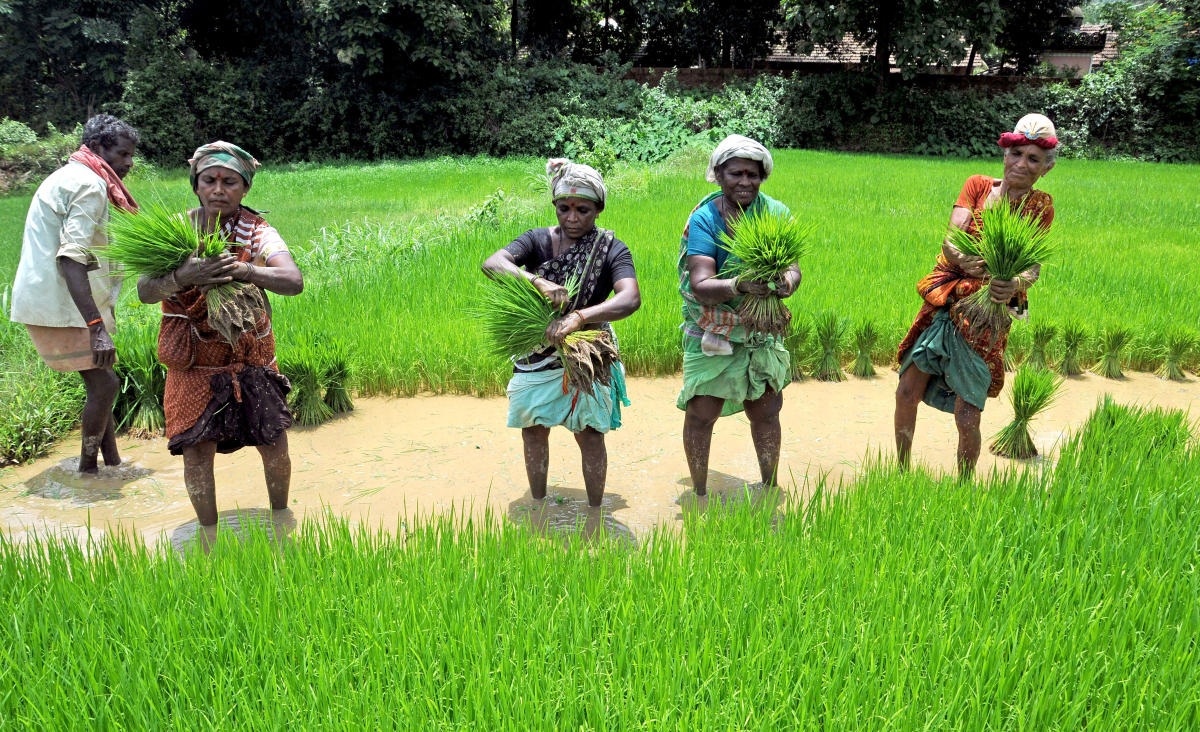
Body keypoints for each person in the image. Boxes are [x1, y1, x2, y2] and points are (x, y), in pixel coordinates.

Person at [136, 141, 303, 527]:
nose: (218, 189)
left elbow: (292, 280)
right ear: (196, 185)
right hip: (193, 361)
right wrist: (184, 276)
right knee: (196, 450)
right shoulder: (175, 231)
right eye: (209, 180)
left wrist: (246, 271)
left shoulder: (256, 230)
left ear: (244, 189)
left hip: (250, 357)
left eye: (230, 182)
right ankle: (207, 533)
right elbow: (146, 291)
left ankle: (281, 517)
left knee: (272, 440)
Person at [895, 113, 1058, 479]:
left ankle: (964, 485)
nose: (1022, 164)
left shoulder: (1040, 206)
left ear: (1045, 169)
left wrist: (1012, 283)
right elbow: (952, 241)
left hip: (989, 309)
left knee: (968, 411)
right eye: (1016, 154)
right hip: (948, 294)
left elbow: (1033, 266)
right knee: (907, 388)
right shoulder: (978, 186)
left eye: (1033, 159)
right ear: (1004, 155)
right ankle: (900, 470)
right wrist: (979, 266)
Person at [482, 159, 641, 507]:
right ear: (554, 206)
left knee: (589, 433)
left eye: (582, 209)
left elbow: (630, 298)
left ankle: (595, 509)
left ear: (598, 209)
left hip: (585, 353)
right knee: (534, 430)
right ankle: (538, 503)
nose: (572, 218)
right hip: (537, 353)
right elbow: (493, 263)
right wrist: (536, 280)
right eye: (563, 208)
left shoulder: (611, 248)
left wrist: (580, 317)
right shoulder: (537, 241)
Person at [10, 114, 139, 473]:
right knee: (105, 382)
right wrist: (96, 326)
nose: (129, 163)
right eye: (123, 154)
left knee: (103, 379)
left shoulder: (74, 176)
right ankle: (88, 470)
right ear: (98, 148)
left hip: (60, 302)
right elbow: (71, 257)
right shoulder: (89, 185)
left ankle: (111, 462)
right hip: (60, 305)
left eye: (131, 155)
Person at [677, 134, 802, 496]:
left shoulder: (776, 213)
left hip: (761, 329)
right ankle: (699, 492)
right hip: (714, 327)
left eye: (753, 174)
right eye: (736, 173)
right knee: (702, 411)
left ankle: (769, 486)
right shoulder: (705, 219)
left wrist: (786, 284)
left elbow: (794, 268)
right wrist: (740, 285)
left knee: (766, 410)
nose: (745, 182)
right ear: (718, 174)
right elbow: (700, 283)